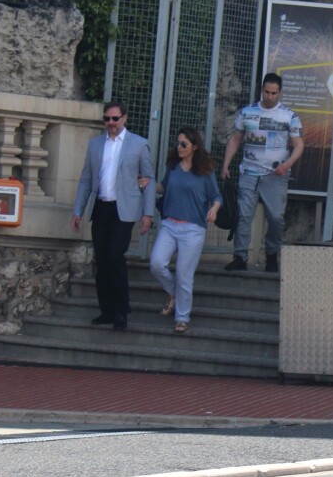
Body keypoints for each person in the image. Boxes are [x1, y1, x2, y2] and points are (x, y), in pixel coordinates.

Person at [72, 100, 156, 330]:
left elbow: (149, 179)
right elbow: (86, 179)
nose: (111, 123)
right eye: (107, 119)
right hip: (101, 207)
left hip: (124, 209)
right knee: (101, 259)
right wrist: (78, 209)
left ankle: (122, 310)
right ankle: (106, 310)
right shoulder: (95, 145)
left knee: (114, 255)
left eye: (115, 118)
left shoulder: (138, 145)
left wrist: (148, 213)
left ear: (124, 118)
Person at [220, 73, 303, 273]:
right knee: (243, 215)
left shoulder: (289, 116)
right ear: (261, 90)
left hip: (276, 174)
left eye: (274, 93)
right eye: (266, 92)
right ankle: (240, 256)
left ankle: (272, 255)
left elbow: (299, 145)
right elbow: (235, 139)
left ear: (280, 92)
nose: (270, 96)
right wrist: (225, 165)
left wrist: (288, 164)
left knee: (275, 217)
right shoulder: (247, 112)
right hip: (249, 171)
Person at [149, 128, 222, 335]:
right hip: (169, 224)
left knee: (184, 274)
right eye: (178, 143)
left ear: (194, 147)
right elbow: (164, 186)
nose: (179, 147)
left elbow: (217, 196)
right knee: (156, 263)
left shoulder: (205, 171)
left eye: (183, 144)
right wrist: (148, 185)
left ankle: (181, 318)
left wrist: (214, 209)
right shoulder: (172, 166)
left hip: (193, 229)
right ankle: (174, 293)